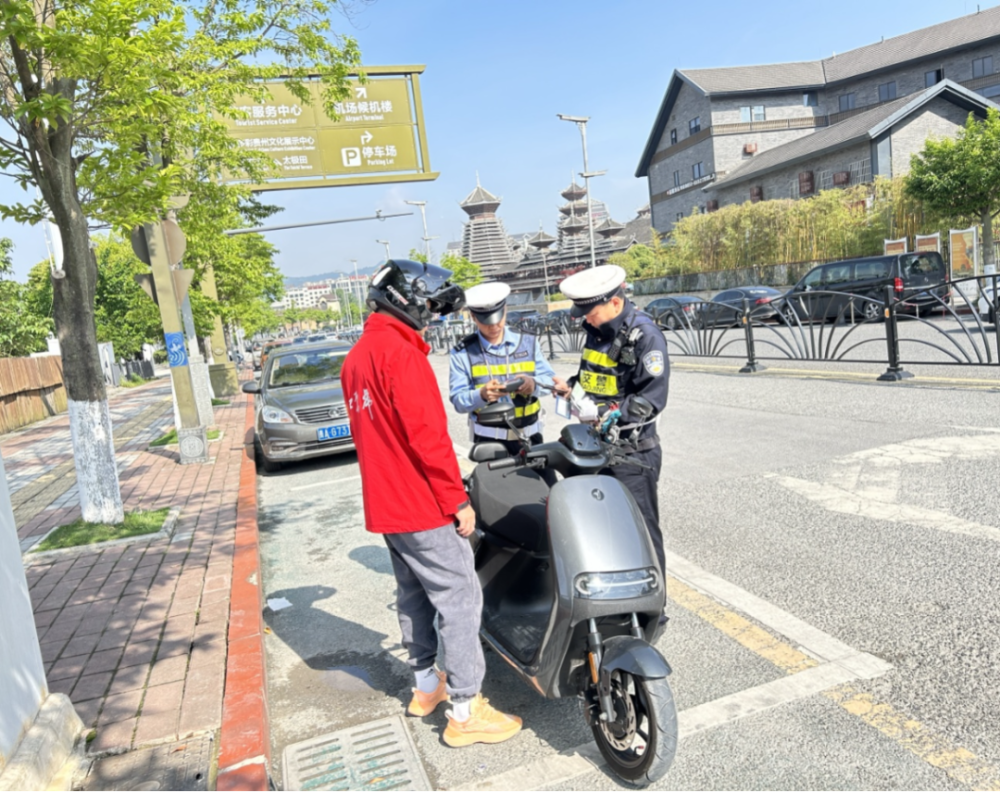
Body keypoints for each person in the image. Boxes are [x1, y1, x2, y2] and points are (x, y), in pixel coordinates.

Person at [341, 259, 522, 748]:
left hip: (387, 505)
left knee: (413, 595)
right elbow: (428, 439)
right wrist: (456, 500)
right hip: (421, 503)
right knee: (460, 599)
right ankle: (466, 709)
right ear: (409, 302)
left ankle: (426, 687)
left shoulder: (356, 358)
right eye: (432, 309)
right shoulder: (402, 355)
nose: (435, 319)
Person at [552, 264, 670, 575]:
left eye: (591, 312)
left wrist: (605, 414)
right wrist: (571, 389)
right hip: (595, 448)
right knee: (603, 532)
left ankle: (655, 612)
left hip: (631, 453)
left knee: (641, 533)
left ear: (615, 303)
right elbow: (594, 379)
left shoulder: (645, 336)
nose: (586, 318)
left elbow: (651, 400)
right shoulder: (597, 333)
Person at [449, 282, 556, 457]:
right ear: (473, 317)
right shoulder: (462, 352)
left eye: (498, 318)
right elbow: (458, 401)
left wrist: (533, 384)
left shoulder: (528, 341)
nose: (494, 326)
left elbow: (550, 380)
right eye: (486, 321)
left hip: (531, 439)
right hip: (488, 443)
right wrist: (481, 395)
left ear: (505, 309)